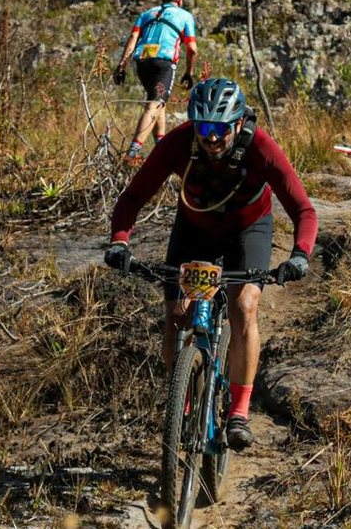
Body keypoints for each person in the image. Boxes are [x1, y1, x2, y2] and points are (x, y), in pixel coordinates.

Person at [104, 78, 317, 451]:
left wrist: (300, 254)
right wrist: (120, 242)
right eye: (204, 128)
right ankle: (180, 406)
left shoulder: (261, 148)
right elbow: (132, 197)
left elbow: (303, 210)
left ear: (237, 123)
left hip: (247, 229)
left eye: (220, 129)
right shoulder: (177, 143)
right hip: (194, 229)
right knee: (176, 314)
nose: (212, 138)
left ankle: (238, 412)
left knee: (243, 306)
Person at [113, 0, 198, 165]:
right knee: (155, 104)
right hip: (164, 63)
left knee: (159, 102)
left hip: (142, 62)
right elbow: (192, 49)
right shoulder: (185, 16)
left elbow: (133, 38)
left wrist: (122, 66)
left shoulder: (146, 14)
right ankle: (132, 153)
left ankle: (162, 147)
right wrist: (189, 72)